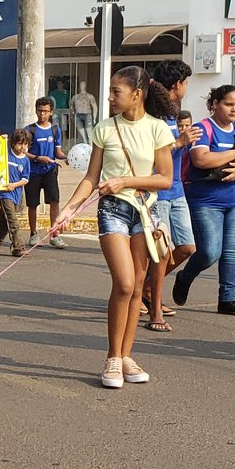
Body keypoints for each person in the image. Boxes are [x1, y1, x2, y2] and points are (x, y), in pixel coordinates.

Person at [56, 67, 175, 390]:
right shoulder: (105, 128)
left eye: (115, 92)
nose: (109, 97)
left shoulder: (157, 128)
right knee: (123, 283)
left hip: (144, 211)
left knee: (136, 287)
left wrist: (124, 180)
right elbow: (90, 178)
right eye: (110, 91)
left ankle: (125, 356)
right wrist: (67, 210)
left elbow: (165, 179)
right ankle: (111, 356)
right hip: (112, 210)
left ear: (137, 94)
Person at [174, 85, 235, 316]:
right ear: (215, 104)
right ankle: (185, 276)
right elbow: (201, 160)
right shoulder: (202, 129)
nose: (234, 110)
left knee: (232, 252)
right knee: (210, 252)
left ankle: (227, 299)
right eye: (228, 104)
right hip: (205, 201)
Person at [143, 62, 198, 331]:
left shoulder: (173, 113)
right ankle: (155, 311)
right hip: (158, 192)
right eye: (186, 83)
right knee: (161, 252)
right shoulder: (152, 115)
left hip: (177, 190)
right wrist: (179, 143)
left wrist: (186, 143)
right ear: (177, 84)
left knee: (187, 247)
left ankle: (147, 288)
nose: (187, 88)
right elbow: (149, 158)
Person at [24, 96, 68, 250]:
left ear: (51, 112)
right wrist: (37, 158)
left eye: (45, 111)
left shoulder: (55, 130)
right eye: (40, 111)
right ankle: (33, 234)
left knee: (54, 201)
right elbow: (22, 152)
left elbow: (58, 152)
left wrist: (67, 157)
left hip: (50, 171)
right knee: (33, 204)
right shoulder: (29, 130)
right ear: (36, 111)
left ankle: (54, 235)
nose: (42, 114)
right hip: (33, 172)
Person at [0, 128, 33, 257]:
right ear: (13, 143)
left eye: (25, 144)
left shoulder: (25, 160)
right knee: (12, 220)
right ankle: (18, 247)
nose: (22, 147)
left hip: (15, 192)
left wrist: (14, 185)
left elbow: (25, 179)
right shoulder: (6, 154)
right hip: (4, 192)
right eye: (20, 144)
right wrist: (2, 139)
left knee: (3, 219)